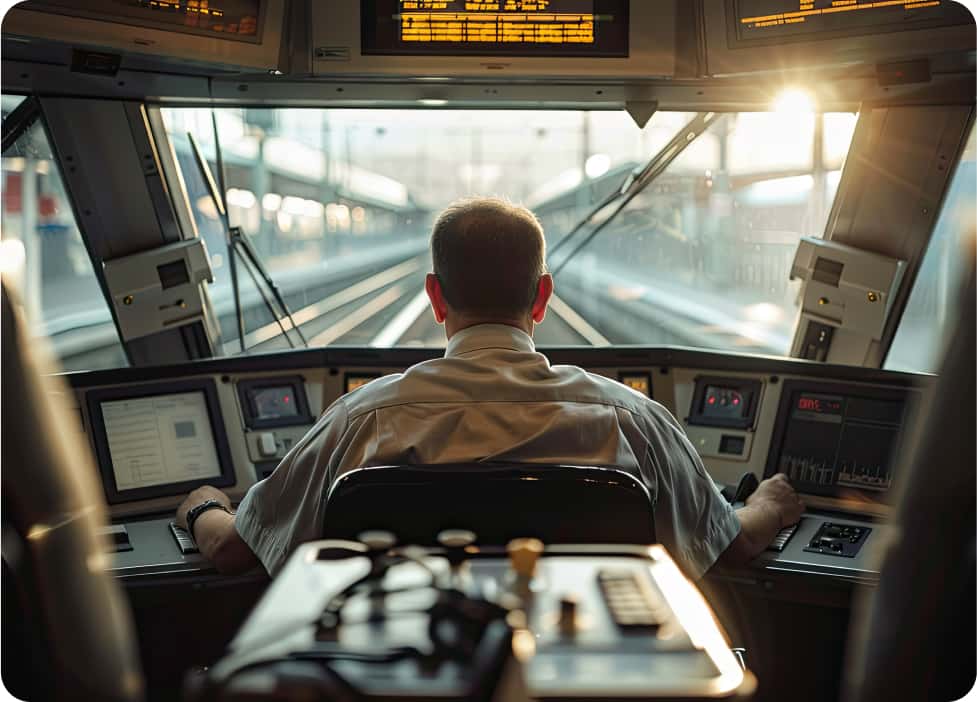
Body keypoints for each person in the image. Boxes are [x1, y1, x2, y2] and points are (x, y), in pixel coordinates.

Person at [176, 197, 803, 578]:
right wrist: (771, 503)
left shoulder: (358, 422)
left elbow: (234, 552)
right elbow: (733, 547)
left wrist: (202, 504)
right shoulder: (632, 419)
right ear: (542, 297)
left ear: (434, 297)